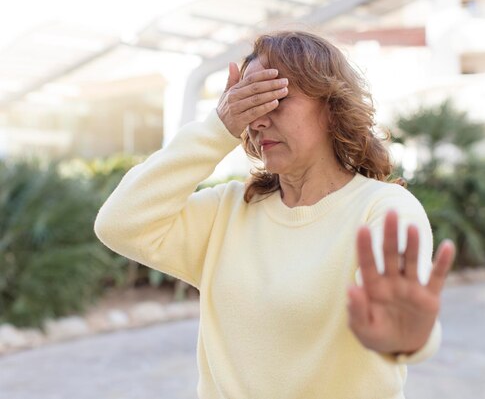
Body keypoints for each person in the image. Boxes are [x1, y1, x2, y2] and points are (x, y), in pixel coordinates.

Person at [94, 30, 456, 399]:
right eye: (248, 103)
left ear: (332, 108)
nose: (257, 121)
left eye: (275, 99)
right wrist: (216, 128)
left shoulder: (381, 208)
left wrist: (403, 331)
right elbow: (119, 224)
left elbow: (397, 323)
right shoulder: (228, 211)